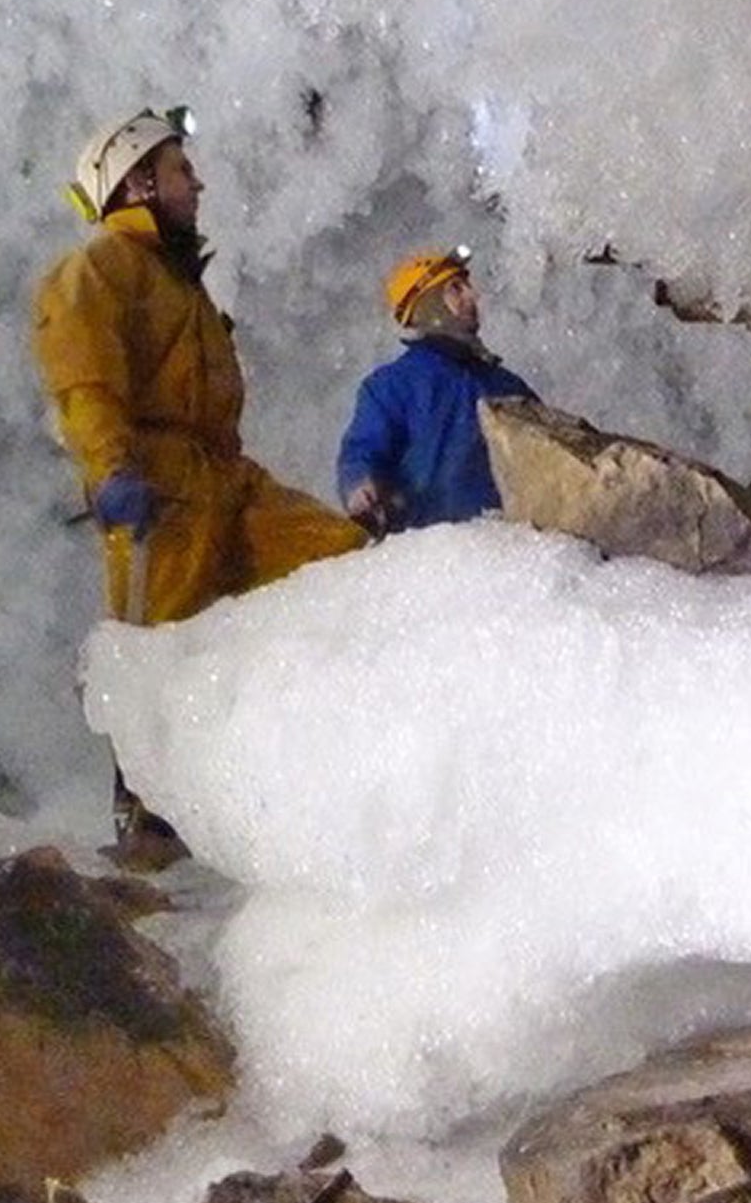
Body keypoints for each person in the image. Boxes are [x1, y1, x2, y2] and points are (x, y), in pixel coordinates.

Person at [31, 105, 369, 855]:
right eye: (182, 170)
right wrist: (112, 471)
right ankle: (147, 828)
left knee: (342, 557)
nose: (198, 183)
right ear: (138, 182)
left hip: (221, 476)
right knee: (156, 658)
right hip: (158, 488)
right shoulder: (99, 269)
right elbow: (85, 384)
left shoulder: (176, 284)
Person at [337, 246, 539, 532]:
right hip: (427, 557)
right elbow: (362, 451)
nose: (472, 296)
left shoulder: (507, 386)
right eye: (455, 289)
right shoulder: (392, 387)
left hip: (501, 552)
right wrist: (361, 489)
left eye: (467, 286)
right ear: (427, 304)